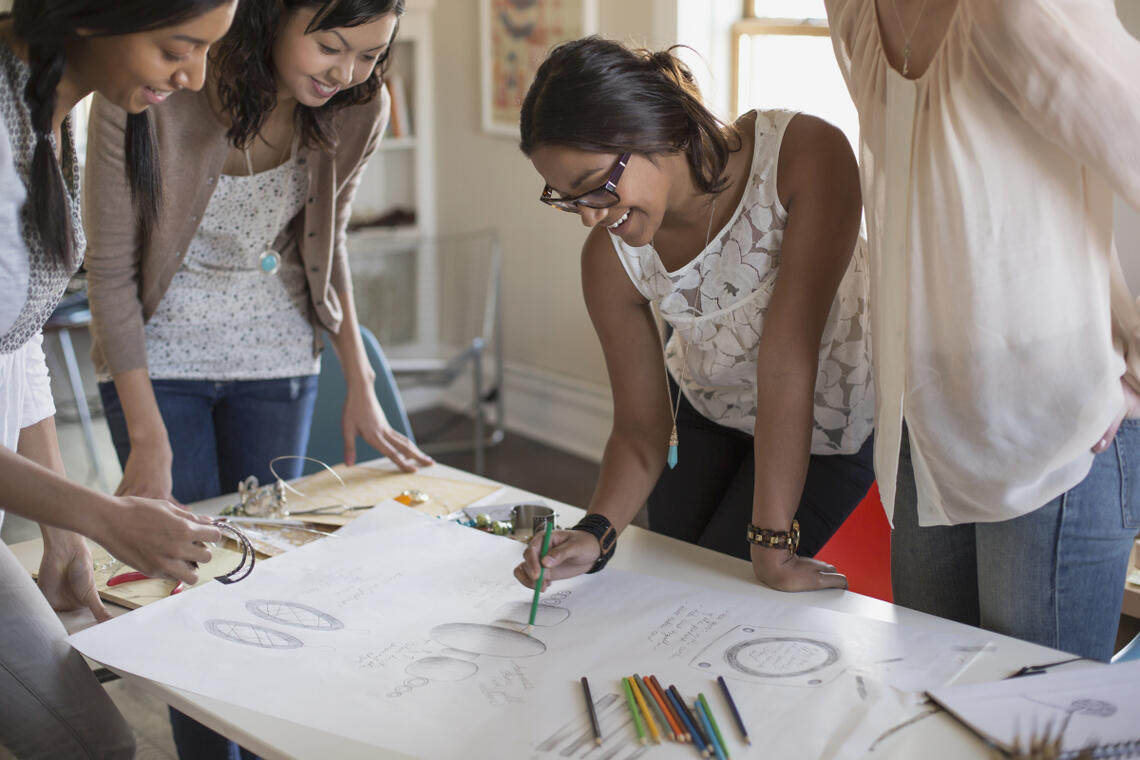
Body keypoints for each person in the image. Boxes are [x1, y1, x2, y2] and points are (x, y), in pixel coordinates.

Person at [83, 0, 432, 756]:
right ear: (272, 16)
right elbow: (108, 274)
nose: (347, 74)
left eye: (371, 55)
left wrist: (360, 379)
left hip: (278, 358)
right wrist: (146, 436)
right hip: (157, 360)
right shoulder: (158, 84)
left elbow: (328, 243)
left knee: (271, 579)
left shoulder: (358, 106)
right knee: (187, 589)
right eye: (332, 48)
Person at [825, 0, 1140, 662]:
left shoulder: (1021, 12)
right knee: (936, 705)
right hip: (926, 428)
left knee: (1034, 726)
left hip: (1053, 435)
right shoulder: (853, 11)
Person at [513, 37, 875, 595]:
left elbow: (788, 360)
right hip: (705, 414)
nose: (589, 217)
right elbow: (639, 427)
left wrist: (772, 547)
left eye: (596, 187)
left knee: (735, 594)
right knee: (674, 585)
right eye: (568, 198)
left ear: (655, 126)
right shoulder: (609, 259)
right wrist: (595, 532)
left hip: (828, 425)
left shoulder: (804, 155)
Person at [0, 2, 237, 756]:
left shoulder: (46, 116)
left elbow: (17, 342)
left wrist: (64, 532)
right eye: (180, 45)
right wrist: (104, 516)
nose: (195, 74)